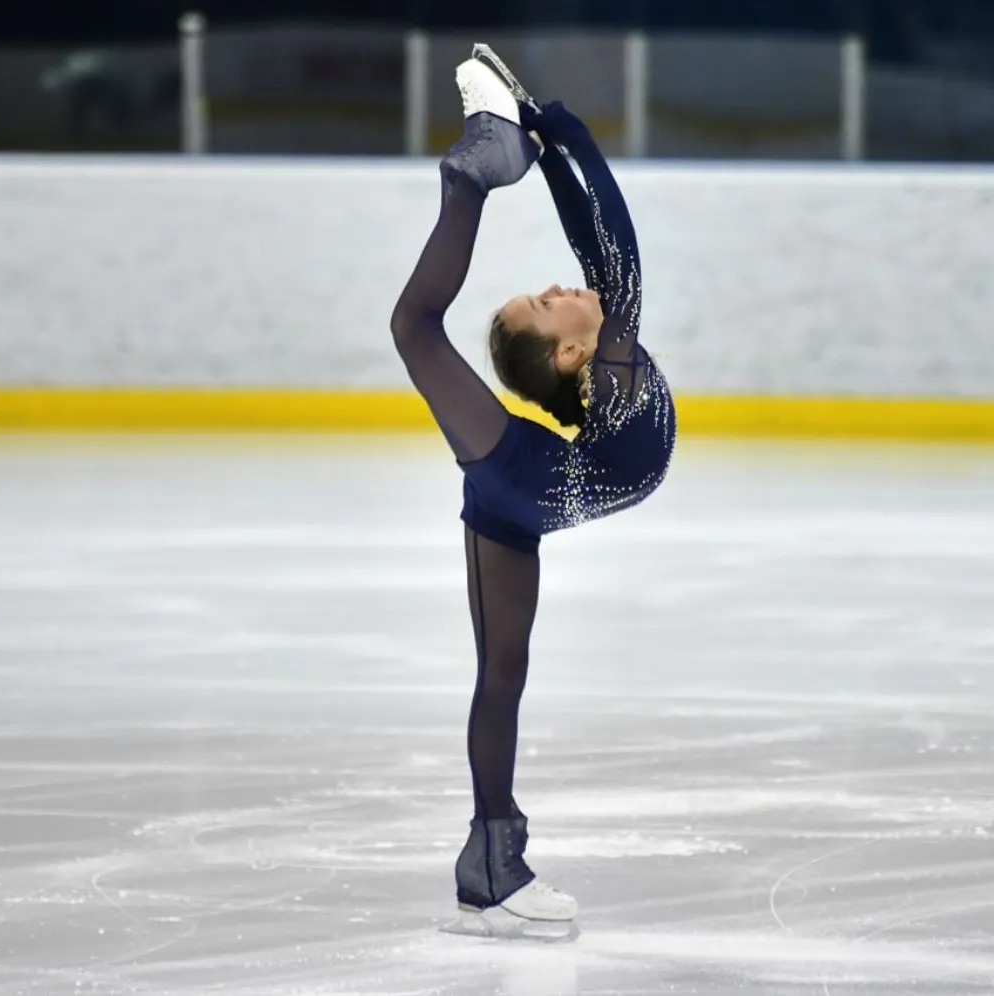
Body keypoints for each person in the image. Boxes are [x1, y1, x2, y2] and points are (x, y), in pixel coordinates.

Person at [388, 45, 675, 937]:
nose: (558, 284)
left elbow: (594, 248)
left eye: (543, 292)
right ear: (570, 354)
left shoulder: (607, 366)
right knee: (414, 328)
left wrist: (551, 146)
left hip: (523, 491)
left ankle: (489, 868)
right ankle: (470, 174)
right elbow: (611, 241)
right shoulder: (615, 360)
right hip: (524, 478)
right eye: (547, 303)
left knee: (502, 675)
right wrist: (566, 139)